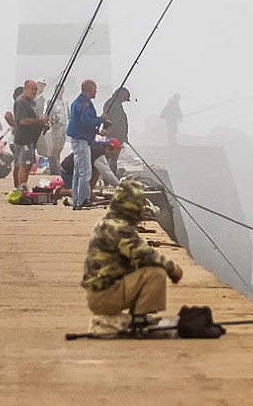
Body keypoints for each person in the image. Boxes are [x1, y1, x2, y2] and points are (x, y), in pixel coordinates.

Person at [82, 178, 183, 334]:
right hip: (104, 297)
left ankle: (137, 317)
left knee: (143, 269)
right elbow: (145, 254)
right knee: (155, 272)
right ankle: (139, 321)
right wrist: (172, 268)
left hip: (98, 293)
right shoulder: (119, 229)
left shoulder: (107, 223)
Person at [66, 79, 101, 209]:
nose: (96, 91)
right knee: (85, 172)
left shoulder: (78, 102)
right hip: (81, 140)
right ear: (89, 89)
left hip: (78, 139)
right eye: (95, 89)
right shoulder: (84, 103)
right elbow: (86, 121)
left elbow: (82, 122)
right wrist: (100, 119)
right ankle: (83, 200)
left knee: (78, 171)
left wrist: (98, 130)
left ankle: (76, 200)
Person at [11, 80, 47, 189]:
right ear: (25, 89)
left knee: (27, 164)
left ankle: (21, 187)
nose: (35, 91)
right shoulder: (21, 102)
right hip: (23, 139)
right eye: (32, 89)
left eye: (36, 89)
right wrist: (39, 121)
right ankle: (20, 188)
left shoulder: (31, 102)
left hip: (31, 139)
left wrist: (42, 123)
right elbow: (22, 121)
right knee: (23, 164)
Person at [101, 86, 130, 176]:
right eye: (125, 99)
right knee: (111, 159)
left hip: (116, 136)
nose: (125, 101)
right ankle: (110, 177)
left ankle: (111, 176)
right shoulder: (112, 104)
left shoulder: (114, 104)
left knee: (112, 159)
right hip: (114, 136)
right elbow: (113, 122)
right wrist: (121, 136)